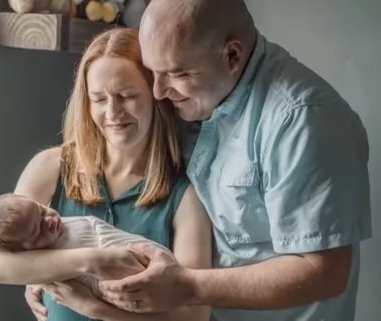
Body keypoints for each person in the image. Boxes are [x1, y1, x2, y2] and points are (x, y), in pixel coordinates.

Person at [98, 1, 372, 321]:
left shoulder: (304, 122)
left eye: (177, 73)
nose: (158, 91)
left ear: (232, 55)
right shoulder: (188, 96)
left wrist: (187, 286)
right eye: (153, 72)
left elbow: (324, 273)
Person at [0, 28, 212, 321]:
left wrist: (92, 307)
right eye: (99, 99)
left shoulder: (185, 197)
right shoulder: (50, 167)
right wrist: (92, 261)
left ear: (156, 97)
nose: (113, 112)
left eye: (126, 96)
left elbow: (196, 316)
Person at [0, 193, 177, 295]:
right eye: (38, 231)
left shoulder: (75, 227)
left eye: (42, 210)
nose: (50, 220)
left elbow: (111, 244)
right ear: (23, 251)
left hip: (150, 266)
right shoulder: (42, 262)